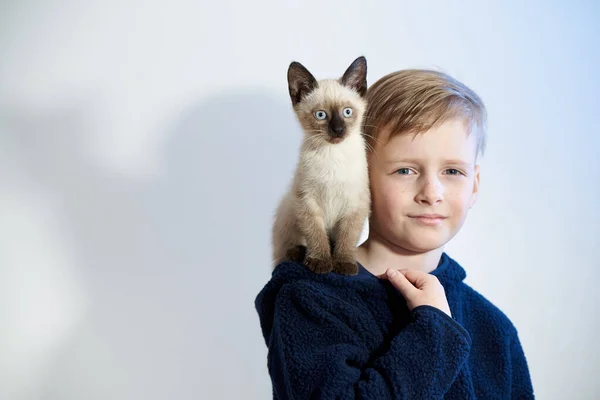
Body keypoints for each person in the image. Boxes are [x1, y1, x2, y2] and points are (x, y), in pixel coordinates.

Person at [255, 69, 535, 399]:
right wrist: (434, 332)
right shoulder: (310, 299)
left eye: (452, 171)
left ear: (474, 185)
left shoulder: (495, 328)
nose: (432, 192)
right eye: (405, 170)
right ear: (362, 173)